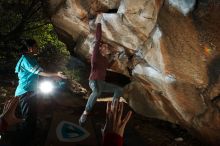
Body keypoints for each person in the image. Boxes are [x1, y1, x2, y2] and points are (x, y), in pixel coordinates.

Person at [15, 39, 67, 146]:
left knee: (32, 118)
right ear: (30, 48)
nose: (37, 47)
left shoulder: (30, 59)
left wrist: (55, 77)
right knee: (29, 120)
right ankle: (22, 142)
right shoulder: (26, 59)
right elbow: (40, 72)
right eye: (36, 46)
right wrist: (56, 74)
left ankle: (30, 140)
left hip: (30, 92)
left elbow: (39, 73)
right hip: (25, 92)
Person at [79, 14, 123, 126]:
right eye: (105, 46)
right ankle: (85, 112)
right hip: (93, 81)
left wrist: (116, 58)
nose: (107, 47)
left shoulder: (104, 59)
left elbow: (109, 66)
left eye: (107, 47)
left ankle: (113, 109)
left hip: (102, 83)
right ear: (100, 48)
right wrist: (98, 22)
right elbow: (98, 39)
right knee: (97, 92)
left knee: (119, 89)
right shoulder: (96, 55)